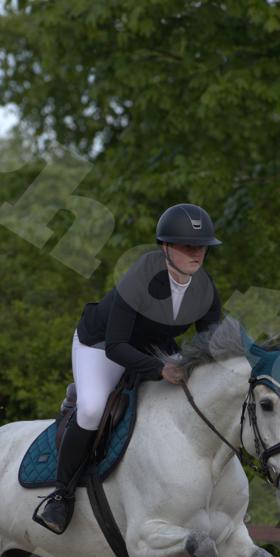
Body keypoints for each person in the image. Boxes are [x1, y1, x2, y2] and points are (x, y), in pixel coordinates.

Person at [33, 202, 224, 534]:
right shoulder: (140, 278)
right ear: (166, 247)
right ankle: (61, 496)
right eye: (187, 246)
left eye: (202, 247)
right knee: (92, 409)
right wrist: (160, 369)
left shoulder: (204, 288)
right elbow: (116, 346)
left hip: (154, 345)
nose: (197, 253)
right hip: (101, 344)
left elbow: (211, 342)